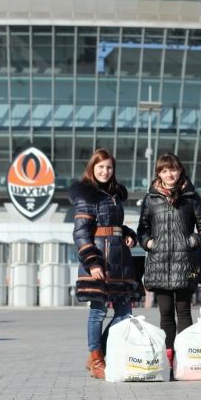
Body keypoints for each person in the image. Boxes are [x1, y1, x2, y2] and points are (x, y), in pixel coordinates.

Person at [137, 153, 201, 370]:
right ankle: (169, 359)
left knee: (184, 312)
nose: (169, 174)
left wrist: (192, 241)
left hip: (185, 263)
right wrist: (149, 243)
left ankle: (186, 359)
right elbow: (142, 230)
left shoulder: (191, 197)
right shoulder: (150, 199)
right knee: (165, 314)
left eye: (173, 169)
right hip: (159, 263)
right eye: (164, 171)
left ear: (180, 171)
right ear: (158, 174)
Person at [70, 148, 139, 380]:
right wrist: (92, 262)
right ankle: (97, 358)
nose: (105, 171)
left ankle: (95, 354)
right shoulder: (86, 195)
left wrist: (128, 234)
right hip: (98, 260)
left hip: (119, 261)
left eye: (109, 167)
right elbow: (81, 233)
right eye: (100, 167)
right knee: (98, 311)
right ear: (92, 168)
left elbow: (113, 224)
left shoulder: (114, 194)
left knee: (125, 314)